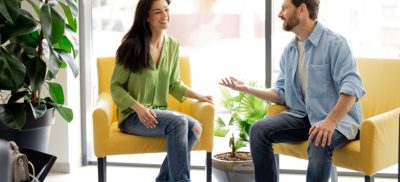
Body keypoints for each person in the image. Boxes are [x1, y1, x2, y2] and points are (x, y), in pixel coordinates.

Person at [220, 0, 365, 181]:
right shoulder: (289, 51)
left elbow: (353, 87)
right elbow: (281, 94)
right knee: (258, 130)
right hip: (302, 117)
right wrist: (247, 89)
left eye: (284, 8)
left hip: (337, 121)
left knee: (319, 140)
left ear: (302, 9)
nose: (280, 14)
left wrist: (329, 122)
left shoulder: (335, 44)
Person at [110, 0, 213, 181]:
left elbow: (173, 83)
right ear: (147, 17)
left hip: (159, 113)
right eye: (158, 12)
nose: (165, 16)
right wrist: (139, 108)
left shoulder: (172, 45)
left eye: (166, 10)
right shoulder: (130, 46)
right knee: (180, 122)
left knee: (195, 127)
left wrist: (199, 96)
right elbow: (115, 87)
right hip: (133, 116)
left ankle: (163, 179)